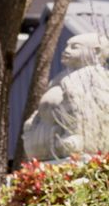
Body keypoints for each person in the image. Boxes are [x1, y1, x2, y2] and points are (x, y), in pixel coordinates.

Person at [23, 32, 109, 161]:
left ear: (95, 51)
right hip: (49, 130)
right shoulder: (61, 76)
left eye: (74, 47)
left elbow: (85, 109)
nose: (66, 50)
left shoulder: (95, 76)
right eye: (66, 46)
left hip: (77, 132)